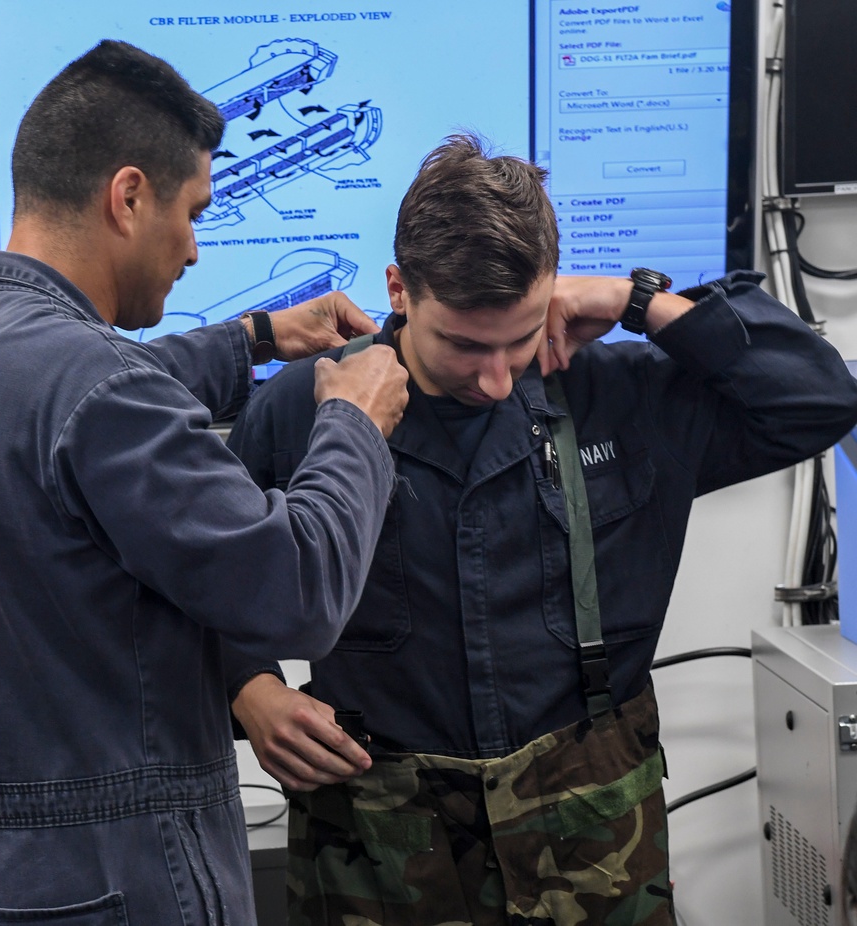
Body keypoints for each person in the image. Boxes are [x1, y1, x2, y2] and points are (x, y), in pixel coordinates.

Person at [224, 133, 857, 926]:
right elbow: (193, 579)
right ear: (399, 290)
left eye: (517, 340)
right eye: (461, 344)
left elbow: (818, 399)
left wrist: (638, 300)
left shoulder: (618, 396)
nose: (494, 378)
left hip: (595, 846)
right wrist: (250, 689)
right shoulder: (308, 406)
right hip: (380, 855)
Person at [0, 40, 409, 926]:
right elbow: (299, 588)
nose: (195, 249)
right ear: (127, 197)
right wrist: (355, 422)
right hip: (126, 880)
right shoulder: (96, 390)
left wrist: (254, 339)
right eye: (192, 212)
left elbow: (80, 400)